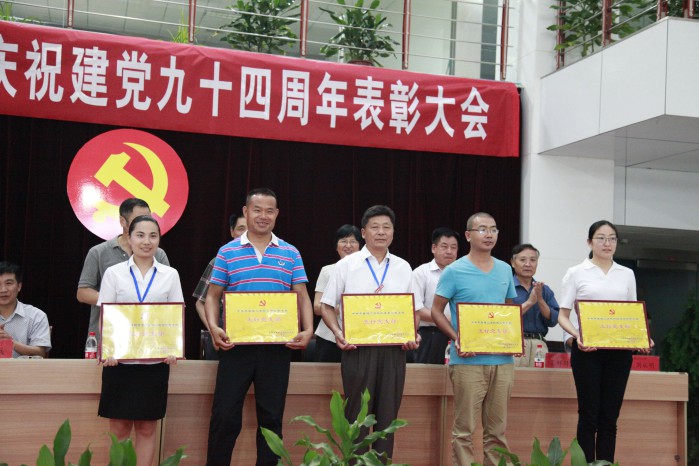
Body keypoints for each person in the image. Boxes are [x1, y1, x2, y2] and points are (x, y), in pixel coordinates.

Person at [204, 187, 314, 466]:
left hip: (277, 347)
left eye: (269, 211)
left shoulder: (290, 252)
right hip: (235, 347)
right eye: (257, 210)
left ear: (276, 214)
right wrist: (214, 327)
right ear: (246, 212)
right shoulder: (227, 252)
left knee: (271, 418)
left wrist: (308, 329)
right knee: (225, 416)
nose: (263, 216)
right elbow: (212, 297)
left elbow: (302, 295)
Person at [320, 205, 419, 460]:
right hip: (357, 351)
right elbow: (326, 306)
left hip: (394, 352)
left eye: (387, 227)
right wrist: (338, 333)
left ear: (393, 233)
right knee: (357, 419)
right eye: (375, 227)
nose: (381, 232)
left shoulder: (403, 267)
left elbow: (414, 310)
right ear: (363, 233)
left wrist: (413, 333)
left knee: (387, 420)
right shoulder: (346, 265)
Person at [557, 220, 652, 464]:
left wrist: (642, 336)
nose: (607, 243)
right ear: (589, 242)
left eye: (612, 238)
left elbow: (632, 314)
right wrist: (577, 336)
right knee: (588, 415)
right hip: (587, 351)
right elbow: (562, 316)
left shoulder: (626, 274)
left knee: (610, 417)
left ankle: (606, 463)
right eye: (600, 238)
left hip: (619, 353)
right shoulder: (576, 272)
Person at [430, 212, 517, 466]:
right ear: (468, 235)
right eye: (482, 229)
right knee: (464, 431)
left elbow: (508, 310)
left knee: (497, 432)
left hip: (503, 361)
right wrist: (457, 338)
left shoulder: (505, 269)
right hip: (467, 360)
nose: (489, 234)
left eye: (493, 229)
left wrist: (512, 338)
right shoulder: (454, 271)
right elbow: (436, 311)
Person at [96, 215, 184, 466]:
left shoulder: (170, 275)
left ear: (159, 240)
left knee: (147, 427)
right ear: (129, 238)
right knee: (119, 428)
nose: (147, 241)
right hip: (120, 362)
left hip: (154, 364)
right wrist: (108, 349)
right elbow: (105, 315)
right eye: (140, 235)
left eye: (153, 236)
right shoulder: (114, 273)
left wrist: (172, 348)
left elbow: (175, 314)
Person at [77, 198, 170, 341]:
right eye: (137, 219)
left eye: (148, 218)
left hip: (149, 336)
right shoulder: (99, 252)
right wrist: (121, 298)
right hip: (109, 336)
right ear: (122, 221)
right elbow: (82, 293)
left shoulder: (158, 254)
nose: (144, 224)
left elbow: (168, 296)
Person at [192, 211, 247, 360]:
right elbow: (200, 303)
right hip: (225, 335)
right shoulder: (220, 260)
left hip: (257, 333)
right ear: (232, 232)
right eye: (241, 228)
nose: (245, 234)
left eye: (250, 229)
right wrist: (213, 329)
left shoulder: (268, 261)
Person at [409, 227, 459, 364]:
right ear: (433, 248)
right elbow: (417, 309)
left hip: (460, 335)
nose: (449, 251)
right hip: (431, 335)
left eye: (453, 247)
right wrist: (447, 320)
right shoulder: (421, 273)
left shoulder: (463, 274)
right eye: (444, 246)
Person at [313, 224, 362, 363]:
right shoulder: (327, 271)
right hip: (328, 336)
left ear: (360, 246)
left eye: (353, 241)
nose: (348, 246)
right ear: (336, 246)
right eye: (343, 241)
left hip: (360, 335)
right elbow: (317, 307)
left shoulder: (368, 272)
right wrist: (344, 309)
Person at [510, 243, 560, 367]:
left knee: (539, 379)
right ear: (513, 262)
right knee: (514, 379)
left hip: (539, 344)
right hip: (513, 343)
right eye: (523, 260)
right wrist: (529, 303)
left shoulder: (544, 289)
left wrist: (540, 300)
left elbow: (553, 320)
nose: (528, 264)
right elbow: (503, 318)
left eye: (533, 260)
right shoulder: (506, 288)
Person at [0, 261, 51, 358]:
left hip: (23, 368)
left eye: (8, 283)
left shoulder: (36, 316)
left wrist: (11, 342)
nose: (3, 290)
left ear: (19, 286)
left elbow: (40, 352)